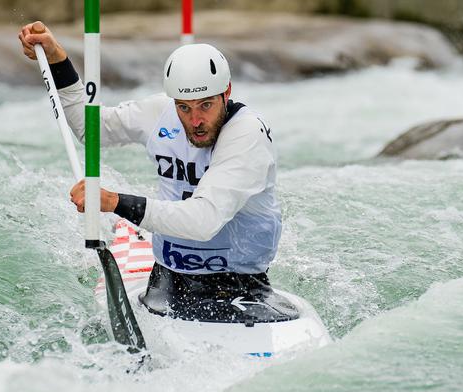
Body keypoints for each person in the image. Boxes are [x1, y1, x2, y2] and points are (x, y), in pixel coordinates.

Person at [19, 22, 285, 319]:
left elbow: (203, 221)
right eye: (184, 107)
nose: (195, 120)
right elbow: (90, 128)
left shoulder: (248, 135)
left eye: (205, 105)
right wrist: (57, 60)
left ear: (227, 92)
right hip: (169, 278)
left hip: (242, 283)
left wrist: (114, 202)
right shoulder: (160, 113)